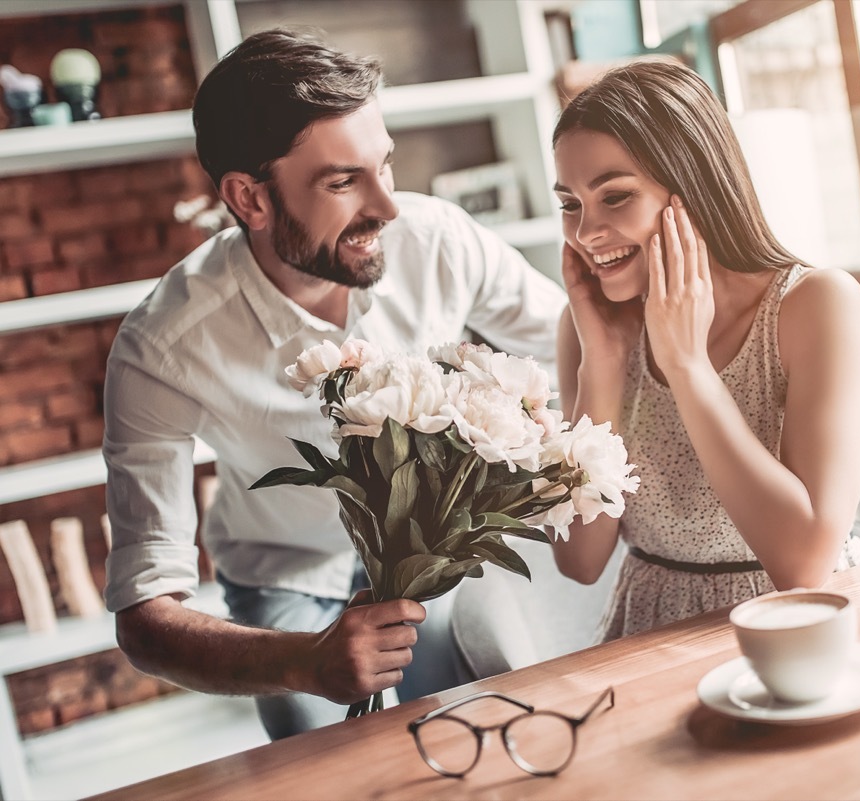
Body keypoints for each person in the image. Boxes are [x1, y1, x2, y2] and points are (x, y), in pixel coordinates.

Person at [102, 28, 565, 740]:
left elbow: (573, 346)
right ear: (249, 199)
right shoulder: (161, 348)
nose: (388, 207)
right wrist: (304, 662)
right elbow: (145, 617)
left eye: (385, 165)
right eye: (344, 182)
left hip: (441, 555)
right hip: (291, 585)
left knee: (491, 727)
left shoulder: (440, 241)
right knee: (326, 761)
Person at [549, 58, 860, 640]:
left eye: (614, 197)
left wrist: (687, 365)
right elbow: (579, 560)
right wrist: (603, 364)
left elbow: (803, 564)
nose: (586, 233)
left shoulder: (817, 305)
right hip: (649, 634)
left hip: (800, 630)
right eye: (570, 204)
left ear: (693, 190)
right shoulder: (587, 329)